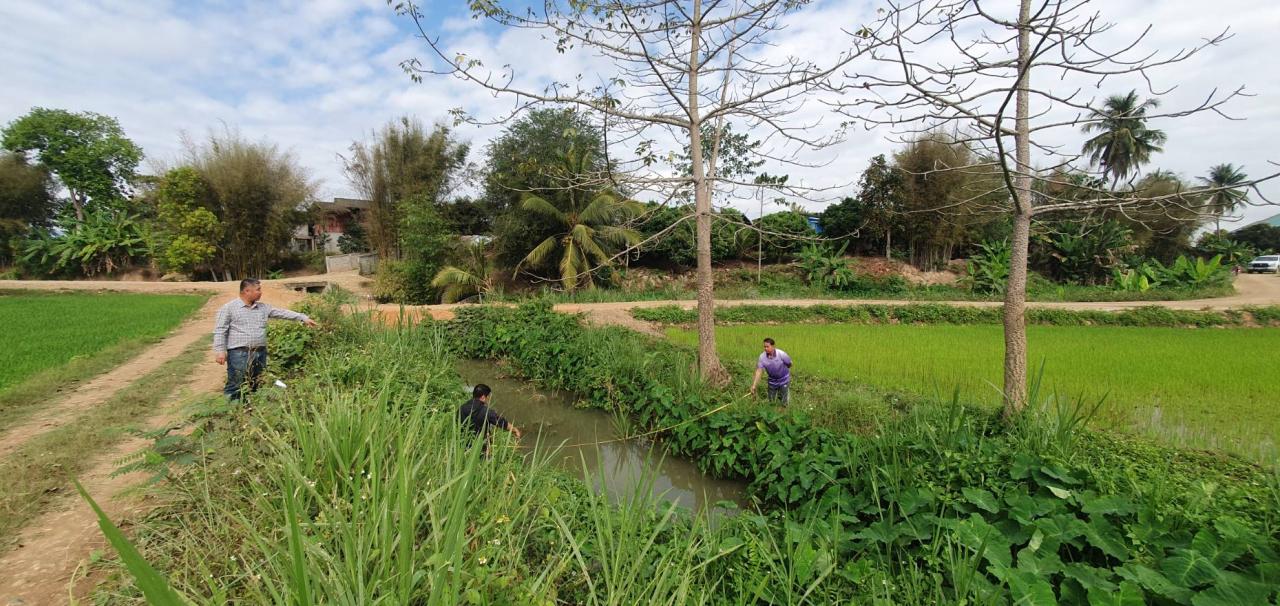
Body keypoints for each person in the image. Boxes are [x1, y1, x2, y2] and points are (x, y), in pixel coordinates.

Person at [213, 278, 317, 401]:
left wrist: (302, 317)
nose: (260, 292)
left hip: (260, 353)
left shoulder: (262, 308)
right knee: (236, 384)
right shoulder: (229, 308)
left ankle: (250, 410)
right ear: (247, 291)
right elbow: (220, 330)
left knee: (257, 382)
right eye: (258, 290)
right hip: (239, 353)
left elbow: (282, 313)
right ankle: (231, 411)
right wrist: (220, 350)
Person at [458, 384, 522, 454]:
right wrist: (515, 430)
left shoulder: (461, 408)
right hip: (480, 449)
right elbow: (501, 422)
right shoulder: (486, 412)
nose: (488, 400)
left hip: (462, 447)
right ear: (483, 397)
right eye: (488, 397)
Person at [747, 337, 792, 406]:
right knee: (771, 401)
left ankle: (783, 413)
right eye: (764, 347)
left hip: (784, 380)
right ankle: (772, 413)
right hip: (772, 381)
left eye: (767, 347)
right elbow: (759, 371)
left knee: (784, 401)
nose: (765, 348)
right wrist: (754, 385)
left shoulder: (781, 354)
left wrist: (784, 371)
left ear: (773, 346)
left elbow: (789, 363)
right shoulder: (762, 357)